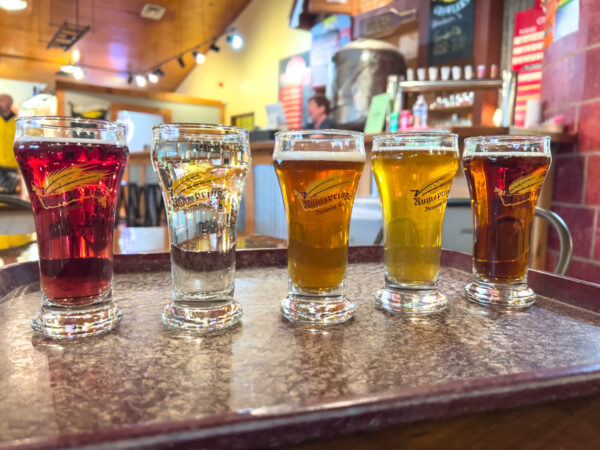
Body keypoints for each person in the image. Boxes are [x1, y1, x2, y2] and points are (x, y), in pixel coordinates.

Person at [0, 94, 19, 195]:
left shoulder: (17, 122)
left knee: (9, 199)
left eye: (2, 100)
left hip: (12, 167)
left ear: (10, 103)